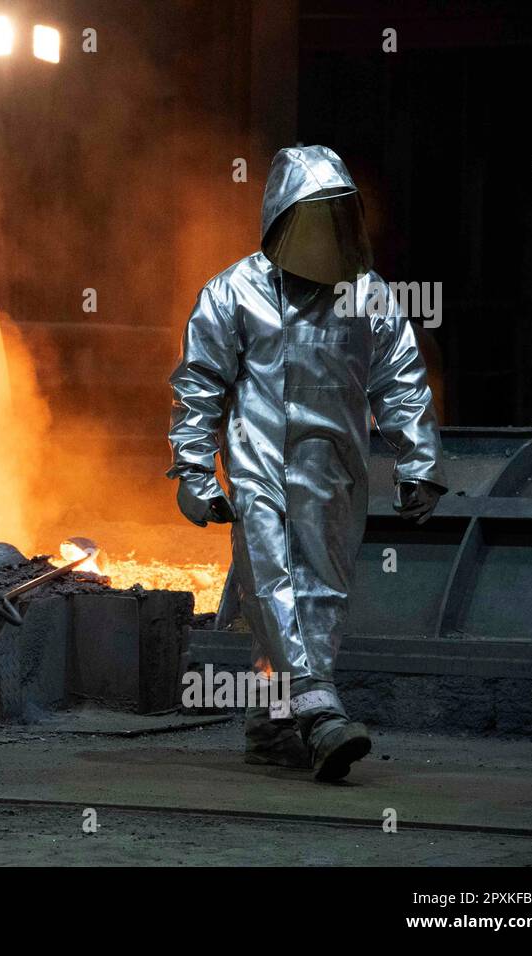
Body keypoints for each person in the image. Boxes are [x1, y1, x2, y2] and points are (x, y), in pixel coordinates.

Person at [168, 145, 447, 782]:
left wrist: (419, 462)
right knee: (272, 584)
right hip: (257, 465)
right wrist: (191, 470)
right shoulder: (232, 293)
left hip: (333, 473)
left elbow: (400, 382)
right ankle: (319, 711)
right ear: (284, 217)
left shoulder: (367, 297)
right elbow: (201, 384)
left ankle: (272, 726)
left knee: (317, 598)